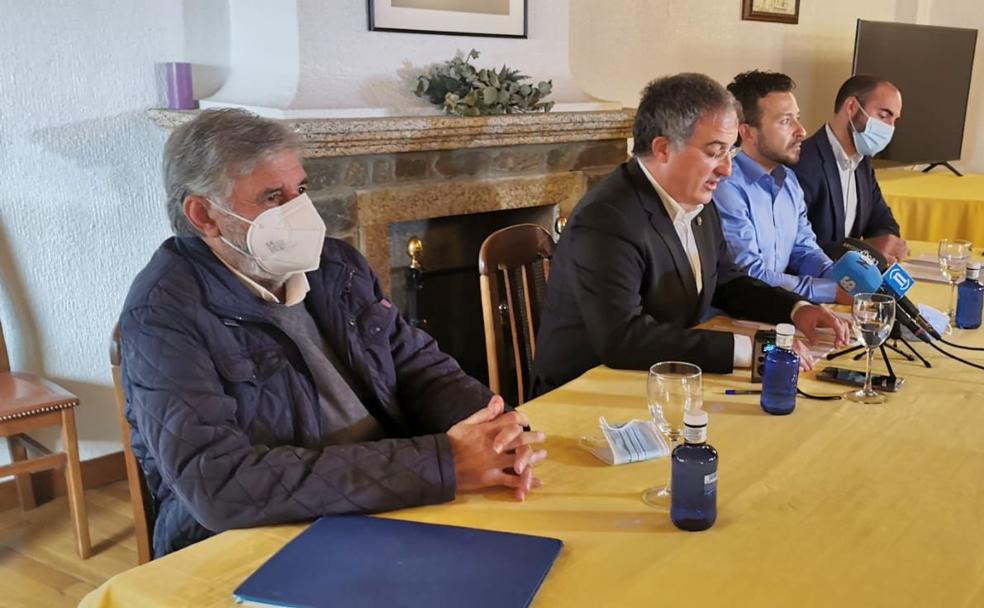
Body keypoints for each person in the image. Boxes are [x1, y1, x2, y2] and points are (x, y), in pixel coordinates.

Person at [119, 109, 546, 557]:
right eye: (271, 197)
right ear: (203, 214)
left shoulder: (336, 264)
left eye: (300, 190)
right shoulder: (162, 315)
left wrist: (493, 429)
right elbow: (221, 484)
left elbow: (419, 367)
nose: (298, 211)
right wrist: (444, 462)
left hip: (390, 493)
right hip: (263, 538)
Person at [531, 73, 851, 397]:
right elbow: (622, 338)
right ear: (663, 148)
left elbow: (728, 282)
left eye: (730, 152)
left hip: (664, 378)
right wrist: (752, 347)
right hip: (589, 394)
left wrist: (796, 309)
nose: (727, 169)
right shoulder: (607, 219)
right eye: (715, 152)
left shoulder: (696, 198)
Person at [714, 70, 849, 305]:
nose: (802, 130)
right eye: (786, 121)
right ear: (746, 132)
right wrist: (830, 292)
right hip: (734, 317)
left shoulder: (788, 179)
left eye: (797, 117)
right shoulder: (726, 186)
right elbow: (750, 274)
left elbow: (803, 250)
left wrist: (840, 278)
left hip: (782, 311)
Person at [793, 74, 909, 264]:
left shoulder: (863, 162)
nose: (890, 128)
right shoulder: (803, 162)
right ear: (852, 107)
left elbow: (883, 222)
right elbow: (792, 244)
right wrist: (861, 249)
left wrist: (886, 243)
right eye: (883, 116)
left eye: (894, 120)